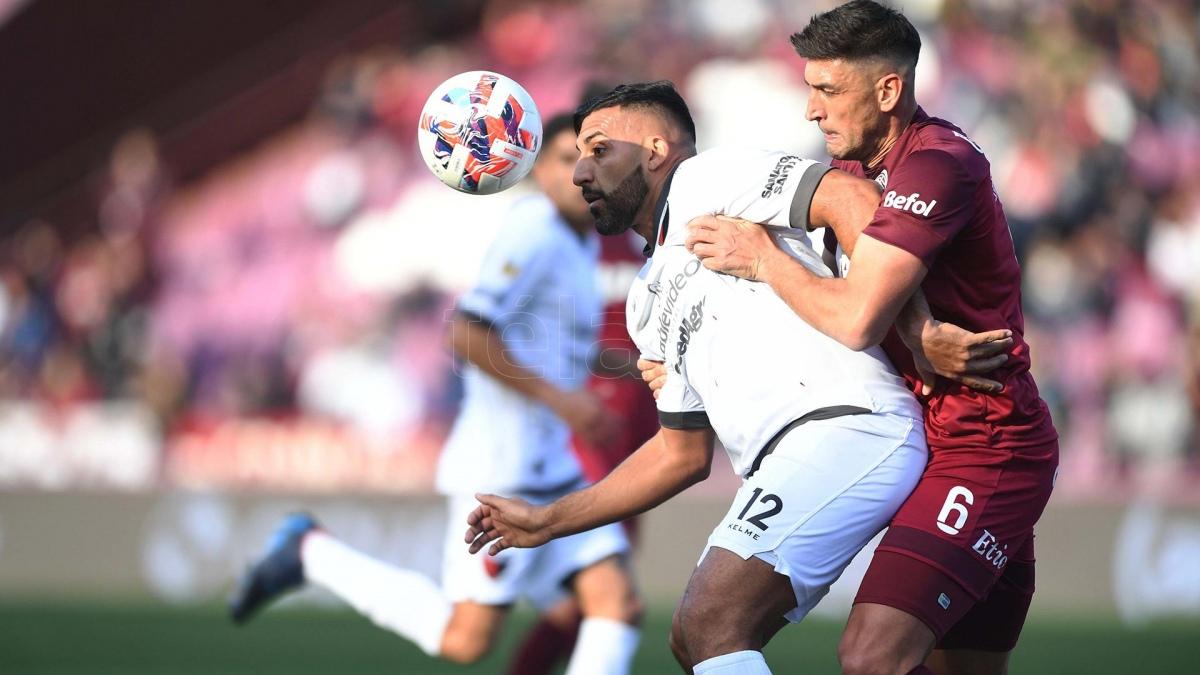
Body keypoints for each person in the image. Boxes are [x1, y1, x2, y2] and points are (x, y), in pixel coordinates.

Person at [465, 81, 935, 675]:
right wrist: (548, 519)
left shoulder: (707, 180)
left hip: (846, 425)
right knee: (695, 642)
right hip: (792, 455)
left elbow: (852, 197)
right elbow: (679, 455)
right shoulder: (643, 300)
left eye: (599, 150)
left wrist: (918, 329)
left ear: (657, 150)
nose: (580, 171)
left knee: (710, 621)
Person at [682, 3, 1060, 674]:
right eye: (808, 89)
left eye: (826, 90)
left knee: (870, 656)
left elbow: (857, 316)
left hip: (983, 445)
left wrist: (764, 254)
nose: (810, 110)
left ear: (888, 90)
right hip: (922, 442)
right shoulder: (848, 178)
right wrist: (918, 332)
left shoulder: (940, 164)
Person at [228, 114, 642, 675]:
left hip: (553, 466)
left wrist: (615, 367)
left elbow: (546, 342)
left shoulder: (578, 241)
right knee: (465, 639)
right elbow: (467, 332)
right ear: (537, 171)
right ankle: (309, 552)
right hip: (503, 472)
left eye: (590, 163)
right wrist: (563, 401)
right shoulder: (534, 230)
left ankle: (306, 550)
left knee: (615, 604)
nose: (579, 175)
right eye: (566, 162)